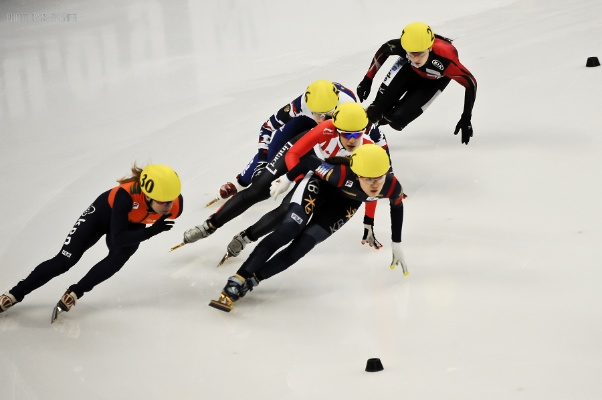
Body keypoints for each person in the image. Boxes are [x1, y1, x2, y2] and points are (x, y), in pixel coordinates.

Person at [208, 144, 408, 312]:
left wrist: (396, 243)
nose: (375, 185)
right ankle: (238, 278)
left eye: (379, 178)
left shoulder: (391, 186)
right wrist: (287, 179)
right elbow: (311, 162)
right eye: (368, 179)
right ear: (357, 175)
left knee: (302, 246)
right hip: (318, 187)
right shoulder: (337, 174)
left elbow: (397, 207)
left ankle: (253, 281)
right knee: (288, 230)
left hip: (343, 206)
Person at [182, 102, 389, 251]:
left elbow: (373, 188)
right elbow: (294, 153)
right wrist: (293, 178)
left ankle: (247, 237)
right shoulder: (326, 129)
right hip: (303, 155)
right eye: (345, 133)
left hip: (321, 172)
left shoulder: (368, 151)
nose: (351, 140)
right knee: (258, 190)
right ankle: (210, 225)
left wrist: (368, 221)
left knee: (287, 211)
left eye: (356, 134)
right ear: (336, 128)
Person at [0, 164, 184, 321]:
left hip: (133, 224)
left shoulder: (174, 207)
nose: (168, 206)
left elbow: (120, 244)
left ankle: (75, 292)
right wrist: (151, 231)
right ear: (148, 195)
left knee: (117, 259)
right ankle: (15, 293)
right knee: (65, 260)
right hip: (103, 215)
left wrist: (148, 229)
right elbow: (118, 238)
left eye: (171, 201)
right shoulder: (125, 196)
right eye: (164, 202)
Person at [211, 80, 357, 204]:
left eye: (327, 115)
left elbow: (364, 138)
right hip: (304, 119)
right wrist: (262, 161)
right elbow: (267, 127)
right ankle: (240, 182)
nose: (322, 120)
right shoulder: (299, 105)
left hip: (339, 122)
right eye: (318, 114)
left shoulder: (349, 107)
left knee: (334, 148)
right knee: (274, 149)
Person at [356, 22, 477, 144]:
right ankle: (354, 133)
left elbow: (471, 83)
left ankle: (377, 125)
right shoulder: (402, 47)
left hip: (434, 81)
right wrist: (368, 79)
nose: (416, 59)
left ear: (429, 47)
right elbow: (384, 50)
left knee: (396, 121)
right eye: (411, 54)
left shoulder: (446, 60)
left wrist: (466, 116)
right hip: (408, 69)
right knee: (376, 110)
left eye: (420, 54)